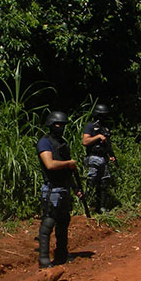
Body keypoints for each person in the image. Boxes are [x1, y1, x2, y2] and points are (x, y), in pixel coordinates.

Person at [36, 111, 83, 269]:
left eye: (63, 125)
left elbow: (67, 171)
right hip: (52, 189)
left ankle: (62, 254)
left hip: (63, 189)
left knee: (64, 222)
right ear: (50, 125)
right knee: (48, 223)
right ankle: (43, 260)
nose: (61, 127)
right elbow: (49, 164)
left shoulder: (62, 143)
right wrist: (69, 163)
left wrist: (75, 188)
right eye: (58, 124)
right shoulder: (44, 142)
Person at [82, 103, 117, 213]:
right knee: (91, 181)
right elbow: (85, 141)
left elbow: (108, 144)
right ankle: (87, 206)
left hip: (103, 158)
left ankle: (101, 207)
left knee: (104, 183)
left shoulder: (105, 128)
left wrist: (111, 155)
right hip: (93, 157)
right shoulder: (90, 126)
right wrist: (97, 137)